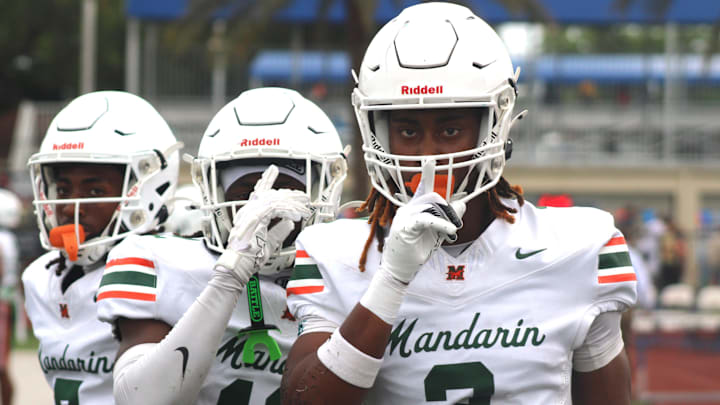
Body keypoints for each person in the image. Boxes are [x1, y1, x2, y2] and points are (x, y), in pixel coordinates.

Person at [281, 3, 638, 405]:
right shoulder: (337, 254)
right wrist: (391, 281)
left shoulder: (576, 248)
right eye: (408, 130)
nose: (428, 156)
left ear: (494, 127)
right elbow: (301, 400)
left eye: (450, 129)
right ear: (376, 131)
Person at [96, 87, 347, 405]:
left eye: (285, 190)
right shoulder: (160, 262)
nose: (264, 207)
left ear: (324, 190)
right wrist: (228, 278)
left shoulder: (351, 268)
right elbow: (140, 400)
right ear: (213, 191)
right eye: (247, 192)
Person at [22, 91, 181, 404]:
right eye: (63, 189)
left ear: (148, 186)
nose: (69, 207)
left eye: (94, 189)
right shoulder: (39, 278)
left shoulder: (167, 269)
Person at [0, 188, 21, 405]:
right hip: (6, 300)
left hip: (2, 303)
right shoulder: (8, 237)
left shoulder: (2, 238)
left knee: (1, 366)